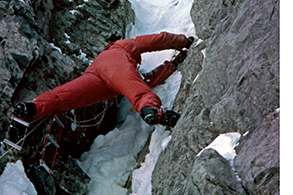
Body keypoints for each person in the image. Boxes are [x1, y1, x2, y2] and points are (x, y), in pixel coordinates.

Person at [14, 31, 194, 128]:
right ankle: (152, 111)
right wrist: (183, 41)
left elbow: (143, 80)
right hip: (112, 66)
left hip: (95, 74)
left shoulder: (116, 59)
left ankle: (34, 108)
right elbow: (158, 39)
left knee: (66, 95)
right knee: (134, 89)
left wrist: (172, 64)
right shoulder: (124, 45)